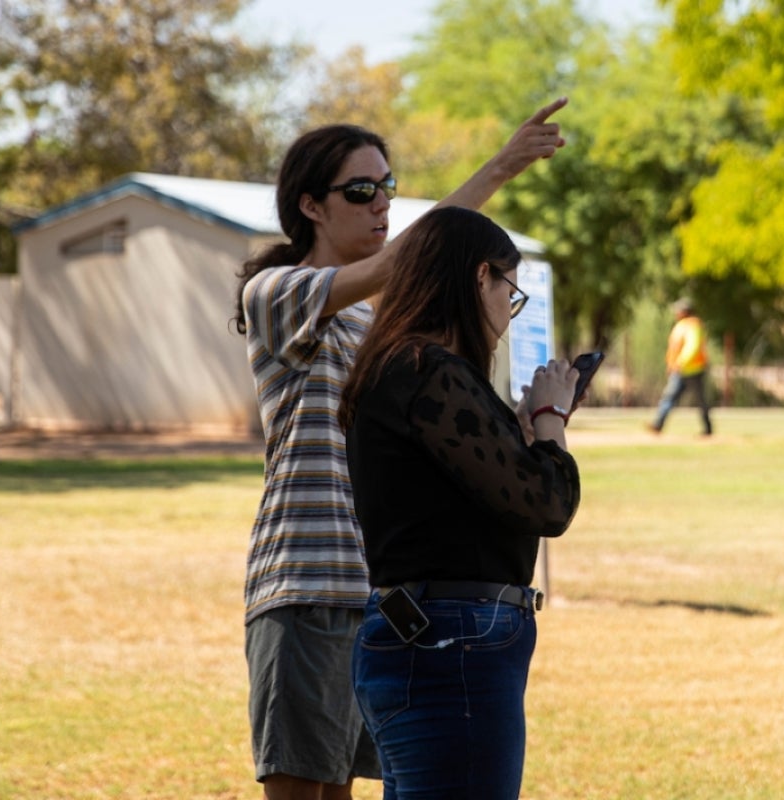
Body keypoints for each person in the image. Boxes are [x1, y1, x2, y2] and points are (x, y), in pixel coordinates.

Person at [232, 99, 567, 800]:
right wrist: (501, 166)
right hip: (307, 583)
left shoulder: (383, 320)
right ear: (310, 206)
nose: (382, 202)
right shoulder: (275, 293)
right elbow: (416, 256)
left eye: (388, 185)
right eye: (361, 190)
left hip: (389, 597)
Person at [337, 206, 582, 799]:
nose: (506, 313)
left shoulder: (396, 366)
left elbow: (454, 494)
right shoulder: (430, 371)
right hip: (455, 643)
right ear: (480, 278)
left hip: (419, 633)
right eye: (509, 291)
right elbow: (549, 504)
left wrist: (514, 434)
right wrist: (550, 423)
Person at [649, 297, 713, 436]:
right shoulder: (681, 325)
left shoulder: (692, 325)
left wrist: (680, 362)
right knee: (669, 396)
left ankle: (708, 429)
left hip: (693, 370)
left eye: (678, 310)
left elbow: (693, 346)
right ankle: (658, 425)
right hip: (679, 370)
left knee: (700, 400)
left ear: (685, 311)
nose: (675, 313)